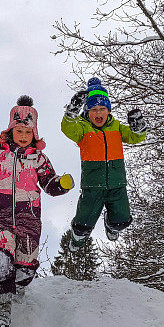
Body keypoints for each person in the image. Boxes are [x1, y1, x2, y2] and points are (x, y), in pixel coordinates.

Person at [0, 96, 74, 327]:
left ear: (34, 134)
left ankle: (19, 286)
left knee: (25, 268)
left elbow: (49, 183)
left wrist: (62, 185)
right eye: (18, 130)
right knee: (1, 259)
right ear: (11, 130)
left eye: (27, 132)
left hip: (29, 217)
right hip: (1, 217)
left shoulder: (38, 158)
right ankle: (3, 307)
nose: (22, 135)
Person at [61, 77, 147, 251]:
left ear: (108, 111)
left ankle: (112, 225)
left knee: (122, 219)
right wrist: (71, 112)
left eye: (102, 109)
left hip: (117, 184)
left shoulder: (116, 127)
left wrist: (138, 127)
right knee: (83, 223)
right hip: (93, 186)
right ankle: (76, 240)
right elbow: (67, 129)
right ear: (87, 111)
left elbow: (135, 137)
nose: (98, 113)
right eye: (93, 109)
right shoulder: (83, 129)